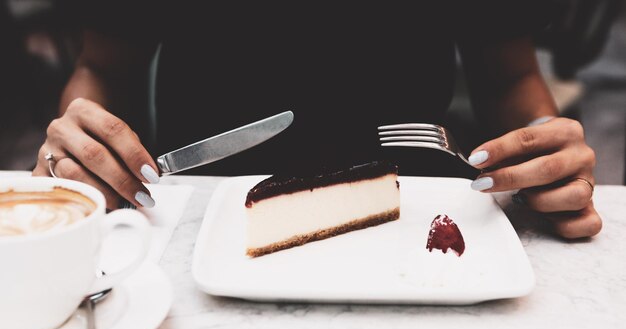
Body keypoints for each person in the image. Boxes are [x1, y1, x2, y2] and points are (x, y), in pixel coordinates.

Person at [32, 1, 602, 238]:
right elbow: (103, 67)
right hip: (198, 219)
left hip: (412, 214)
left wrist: (541, 161)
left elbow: (508, 76)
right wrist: (80, 145)